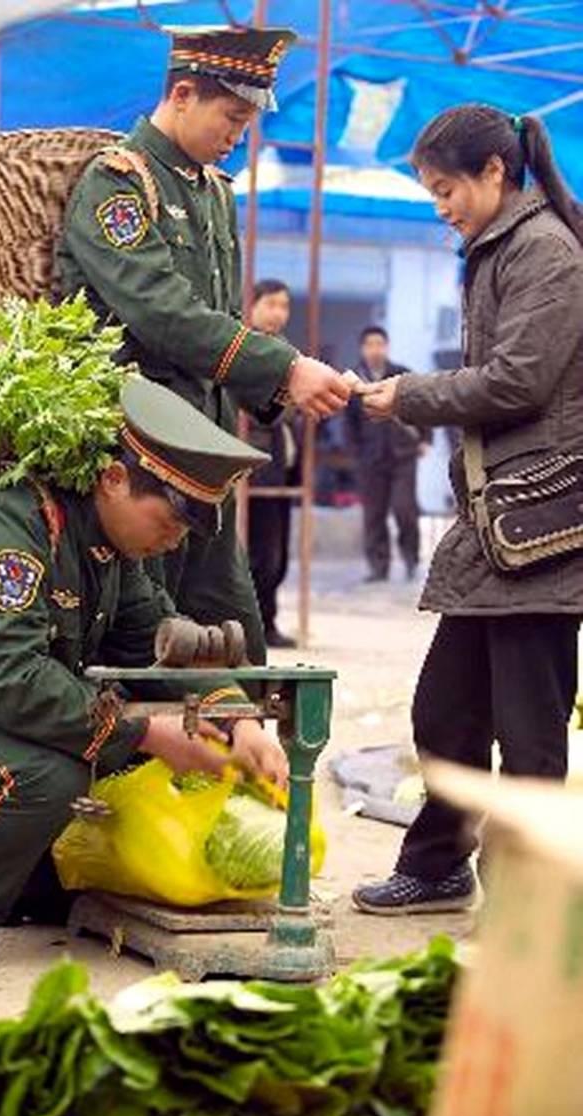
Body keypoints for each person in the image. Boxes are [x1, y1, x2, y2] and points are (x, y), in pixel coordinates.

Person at [0, 379, 289, 968]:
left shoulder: (105, 547)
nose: (176, 537)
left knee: (123, 749)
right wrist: (145, 733)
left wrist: (235, 716)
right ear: (114, 479)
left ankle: (24, 882)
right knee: (51, 769)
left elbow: (158, 644)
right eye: (172, 517)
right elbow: (7, 676)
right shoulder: (8, 532)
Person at [351, 105, 583, 914]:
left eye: (447, 188)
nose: (440, 205)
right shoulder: (498, 247)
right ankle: (440, 865)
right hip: (500, 526)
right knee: (446, 711)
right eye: (432, 192)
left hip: (542, 525)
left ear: (494, 172)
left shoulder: (546, 251)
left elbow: (520, 380)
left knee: (529, 733)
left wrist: (408, 396)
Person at [58, 26, 351, 662]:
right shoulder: (117, 185)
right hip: (139, 464)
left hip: (208, 458)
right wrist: (286, 367)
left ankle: (236, 761)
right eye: (233, 116)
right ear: (183, 94)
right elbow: (163, 314)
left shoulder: (214, 192)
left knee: (236, 650)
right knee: (147, 654)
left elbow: (219, 320)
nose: (238, 135)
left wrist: (283, 389)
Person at [345, 326, 431, 582]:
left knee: (405, 509)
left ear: (387, 346)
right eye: (370, 344)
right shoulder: (354, 379)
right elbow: (348, 422)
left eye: (379, 344)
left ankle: (411, 559)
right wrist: (355, 452)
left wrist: (425, 439)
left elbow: (422, 404)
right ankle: (378, 567)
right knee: (373, 514)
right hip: (370, 459)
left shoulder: (401, 375)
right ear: (362, 348)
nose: (375, 349)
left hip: (403, 454)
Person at [245, 279, 298, 648]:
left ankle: (269, 620)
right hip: (256, 467)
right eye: (271, 304)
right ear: (253, 305)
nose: (278, 313)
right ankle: (255, 624)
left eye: (284, 305)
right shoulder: (246, 352)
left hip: (283, 469)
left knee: (277, 555)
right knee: (260, 554)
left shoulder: (287, 352)